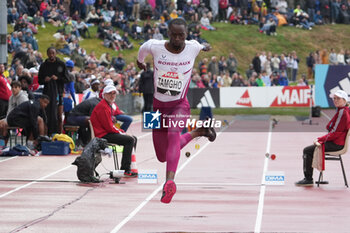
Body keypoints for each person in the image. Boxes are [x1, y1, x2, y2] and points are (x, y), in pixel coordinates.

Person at [137, 18, 216, 204]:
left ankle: (169, 183)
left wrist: (206, 46)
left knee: (174, 134)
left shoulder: (192, 46)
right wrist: (140, 62)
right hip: (158, 108)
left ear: (186, 35)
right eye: (174, 35)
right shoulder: (155, 46)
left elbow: (201, 45)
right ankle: (199, 131)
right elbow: (142, 49)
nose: (178, 39)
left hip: (180, 105)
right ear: (168, 33)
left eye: (182, 35)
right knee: (161, 156)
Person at [295, 90, 350, 186]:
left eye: (338, 98)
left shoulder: (343, 112)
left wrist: (320, 139)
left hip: (336, 144)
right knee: (311, 148)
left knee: (307, 150)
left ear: (344, 100)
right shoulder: (344, 110)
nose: (335, 100)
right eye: (334, 98)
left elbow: (335, 132)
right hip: (337, 142)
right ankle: (309, 178)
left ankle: (308, 179)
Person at [90, 85, 137, 177]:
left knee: (133, 138)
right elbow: (109, 127)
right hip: (102, 135)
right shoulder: (103, 107)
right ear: (104, 95)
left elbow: (110, 126)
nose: (112, 96)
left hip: (105, 133)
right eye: (109, 93)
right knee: (130, 140)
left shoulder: (107, 105)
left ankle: (129, 167)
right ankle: (125, 170)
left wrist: (121, 131)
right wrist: (122, 132)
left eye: (114, 93)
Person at [38, 47, 69, 135]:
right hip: (47, 94)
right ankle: (46, 135)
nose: (51, 55)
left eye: (53, 53)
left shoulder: (61, 64)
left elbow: (67, 78)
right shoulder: (44, 65)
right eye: (50, 53)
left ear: (55, 53)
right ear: (47, 54)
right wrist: (45, 80)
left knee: (58, 116)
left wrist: (58, 78)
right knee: (46, 116)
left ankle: (59, 134)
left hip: (58, 92)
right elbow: (39, 80)